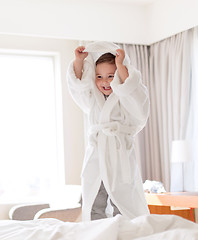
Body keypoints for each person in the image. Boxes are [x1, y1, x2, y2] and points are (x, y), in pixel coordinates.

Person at [67, 41, 150, 221]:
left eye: (111, 76)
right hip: (97, 154)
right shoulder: (92, 98)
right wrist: (79, 62)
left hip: (119, 154)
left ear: (120, 76)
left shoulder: (124, 99)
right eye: (99, 76)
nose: (104, 82)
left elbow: (136, 98)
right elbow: (78, 88)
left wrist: (121, 65)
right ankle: (98, 231)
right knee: (95, 198)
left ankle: (125, 230)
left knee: (122, 199)